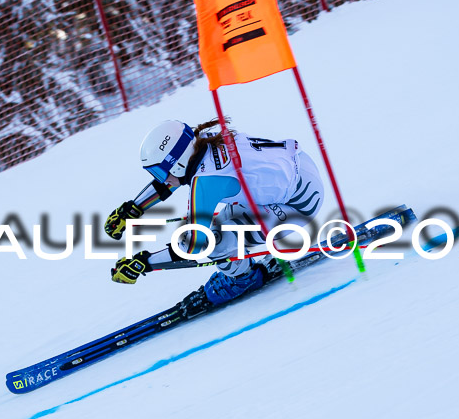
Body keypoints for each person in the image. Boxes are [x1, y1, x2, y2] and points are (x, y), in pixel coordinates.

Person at [104, 118, 324, 316]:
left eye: (160, 173)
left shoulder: (206, 181)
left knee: (216, 240)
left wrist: (143, 263)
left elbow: (192, 247)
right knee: (222, 220)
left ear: (178, 163)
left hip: (298, 204)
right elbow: (175, 180)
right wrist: (133, 209)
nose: (161, 179)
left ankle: (243, 279)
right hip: (299, 168)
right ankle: (244, 264)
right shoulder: (204, 142)